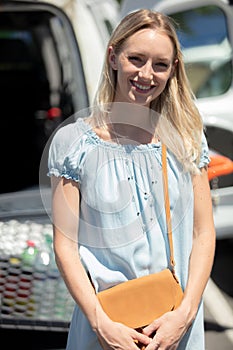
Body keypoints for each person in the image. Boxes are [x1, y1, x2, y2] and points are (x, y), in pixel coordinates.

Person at [47, 9, 216, 350]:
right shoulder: (75, 144)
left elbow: (203, 233)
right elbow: (66, 245)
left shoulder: (186, 139)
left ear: (173, 70)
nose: (146, 74)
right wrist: (102, 324)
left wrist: (184, 315)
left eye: (160, 64)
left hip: (175, 326)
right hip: (106, 329)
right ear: (113, 57)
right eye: (135, 59)